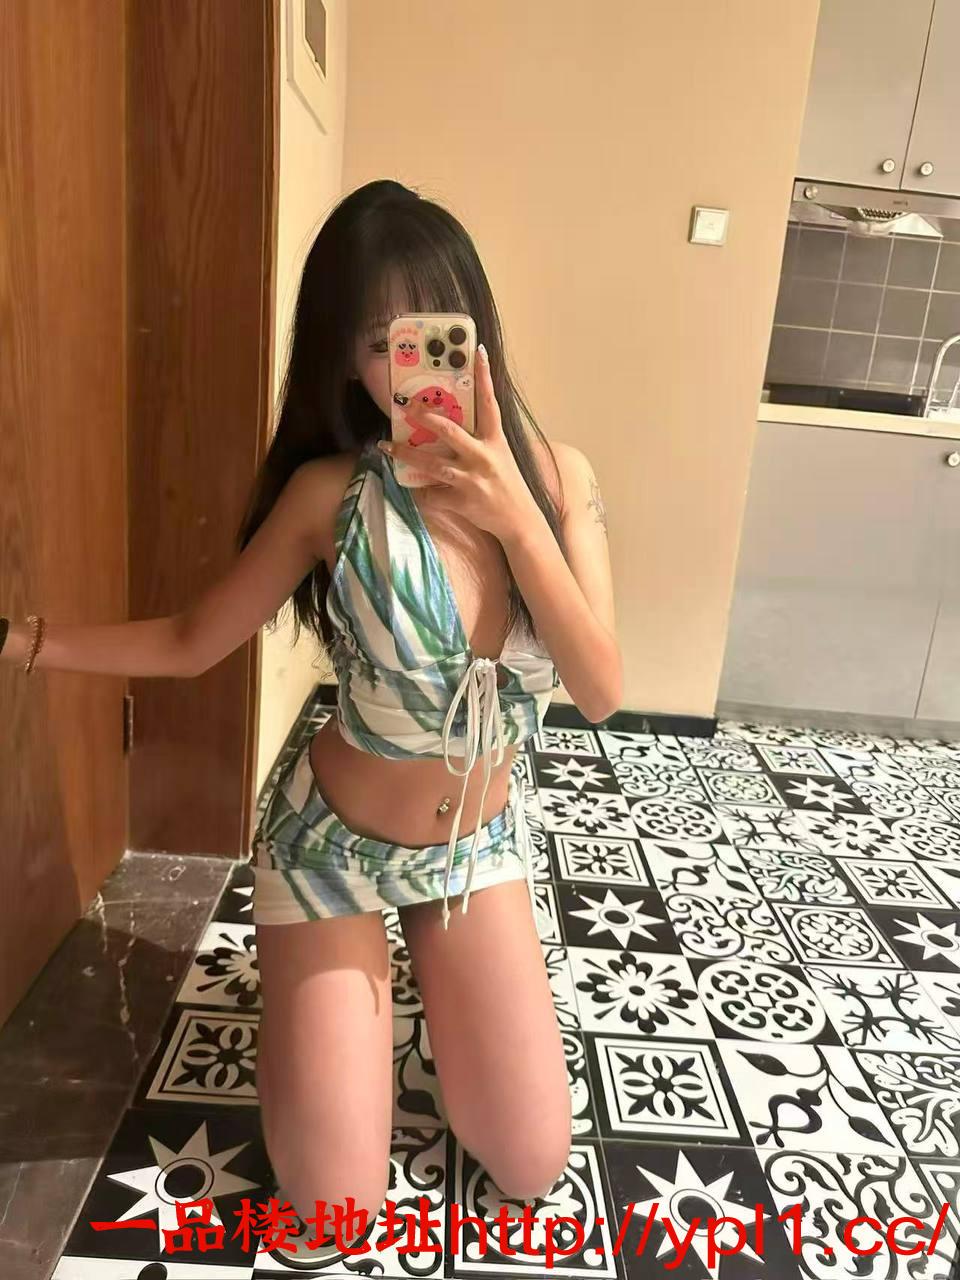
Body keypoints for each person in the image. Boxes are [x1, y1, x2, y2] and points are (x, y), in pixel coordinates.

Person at [0, 178, 621, 1247]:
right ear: (347, 362)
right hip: (332, 848)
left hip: (473, 849)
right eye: (382, 342)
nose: (416, 365)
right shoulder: (331, 496)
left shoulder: (560, 481)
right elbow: (193, 640)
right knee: (337, 1208)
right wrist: (22, 640)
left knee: (531, 1162)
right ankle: (328, 997)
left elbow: (602, 692)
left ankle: (407, 998)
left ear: (476, 326)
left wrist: (517, 517)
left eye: (435, 330)